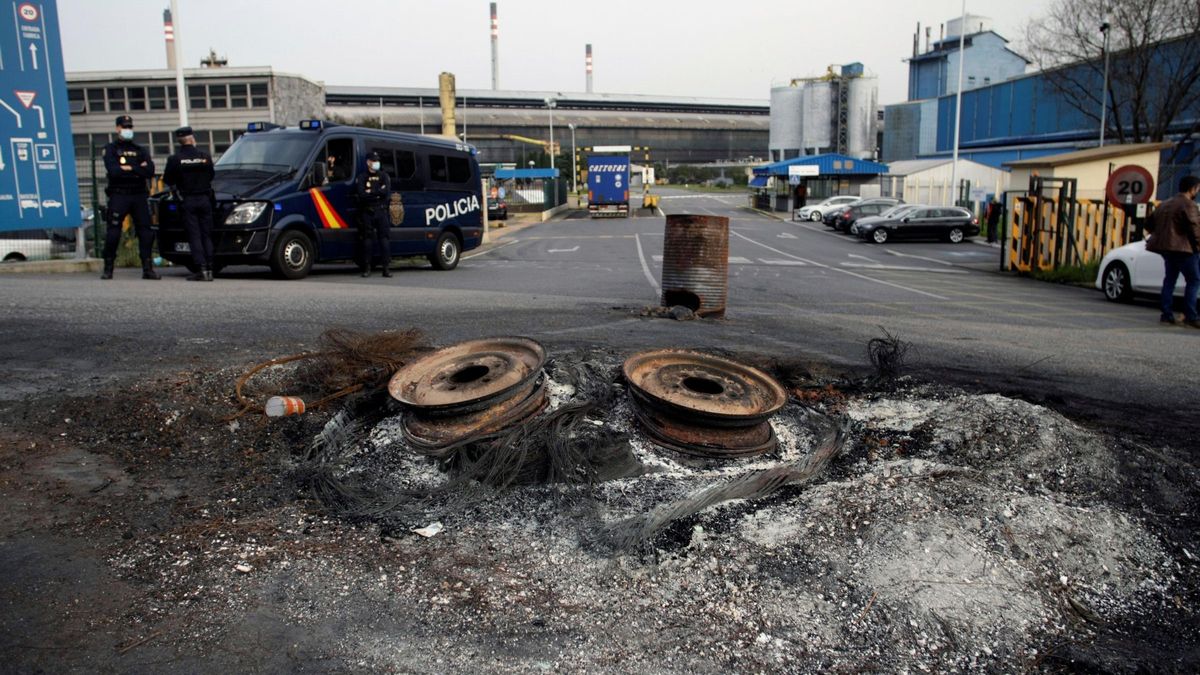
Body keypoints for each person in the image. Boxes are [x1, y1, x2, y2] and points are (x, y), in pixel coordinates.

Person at [100, 115, 158, 280]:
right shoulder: (111, 149)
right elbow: (114, 171)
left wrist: (127, 167)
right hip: (119, 194)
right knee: (113, 233)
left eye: (130, 127)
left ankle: (148, 268)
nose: (128, 130)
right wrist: (137, 168)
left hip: (139, 195)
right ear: (117, 128)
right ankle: (108, 267)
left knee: (145, 232)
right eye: (125, 127)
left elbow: (150, 171)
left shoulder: (140, 149)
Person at [1145, 175, 1200, 327]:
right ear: (1192, 188)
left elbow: (1148, 223)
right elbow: (1196, 229)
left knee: (1169, 281)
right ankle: (1191, 316)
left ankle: (1166, 314)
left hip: (1167, 250)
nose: (1198, 191)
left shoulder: (1164, 204)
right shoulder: (1189, 205)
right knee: (1193, 281)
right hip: (1185, 250)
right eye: (1198, 188)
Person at [162, 126, 216, 282]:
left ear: (180, 141)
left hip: (188, 200)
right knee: (207, 234)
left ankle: (201, 269)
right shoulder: (205, 157)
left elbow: (168, 180)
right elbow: (211, 175)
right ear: (192, 139)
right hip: (205, 199)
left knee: (194, 235)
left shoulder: (175, 159)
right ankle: (211, 268)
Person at [355, 151, 392, 278]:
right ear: (368, 162)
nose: (376, 163)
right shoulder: (362, 177)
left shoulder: (384, 176)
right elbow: (361, 195)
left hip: (381, 211)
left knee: (384, 239)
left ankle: (386, 269)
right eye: (374, 161)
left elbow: (386, 193)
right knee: (367, 239)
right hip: (368, 211)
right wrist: (377, 192)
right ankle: (367, 268)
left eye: (377, 161)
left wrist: (371, 191)